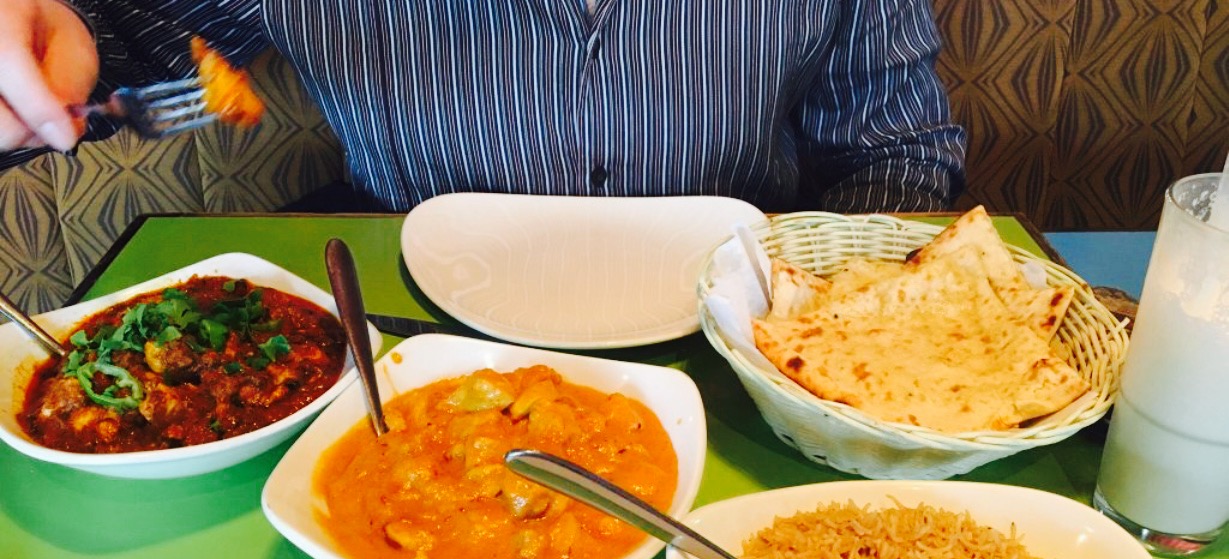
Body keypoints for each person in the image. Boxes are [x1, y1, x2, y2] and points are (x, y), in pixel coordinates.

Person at [0, 0, 965, 214]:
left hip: (736, 319)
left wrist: (832, 330)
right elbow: (103, 37)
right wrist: (38, 45)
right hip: (400, 321)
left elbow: (894, 152)